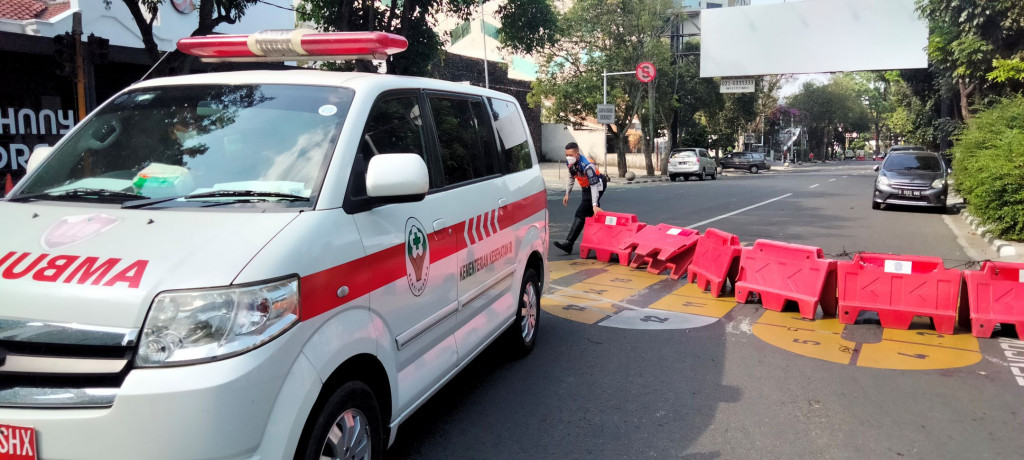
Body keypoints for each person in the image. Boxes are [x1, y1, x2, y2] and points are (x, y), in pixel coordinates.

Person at [553, 142, 606, 254]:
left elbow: (594, 186)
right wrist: (567, 193)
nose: (568, 157)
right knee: (592, 214)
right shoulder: (570, 163)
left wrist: (594, 204)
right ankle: (602, 243)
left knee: (581, 213)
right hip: (585, 187)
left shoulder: (587, 166)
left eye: (571, 155)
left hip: (597, 185)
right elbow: (571, 177)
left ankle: (569, 243)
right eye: (566, 154)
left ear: (577, 154)